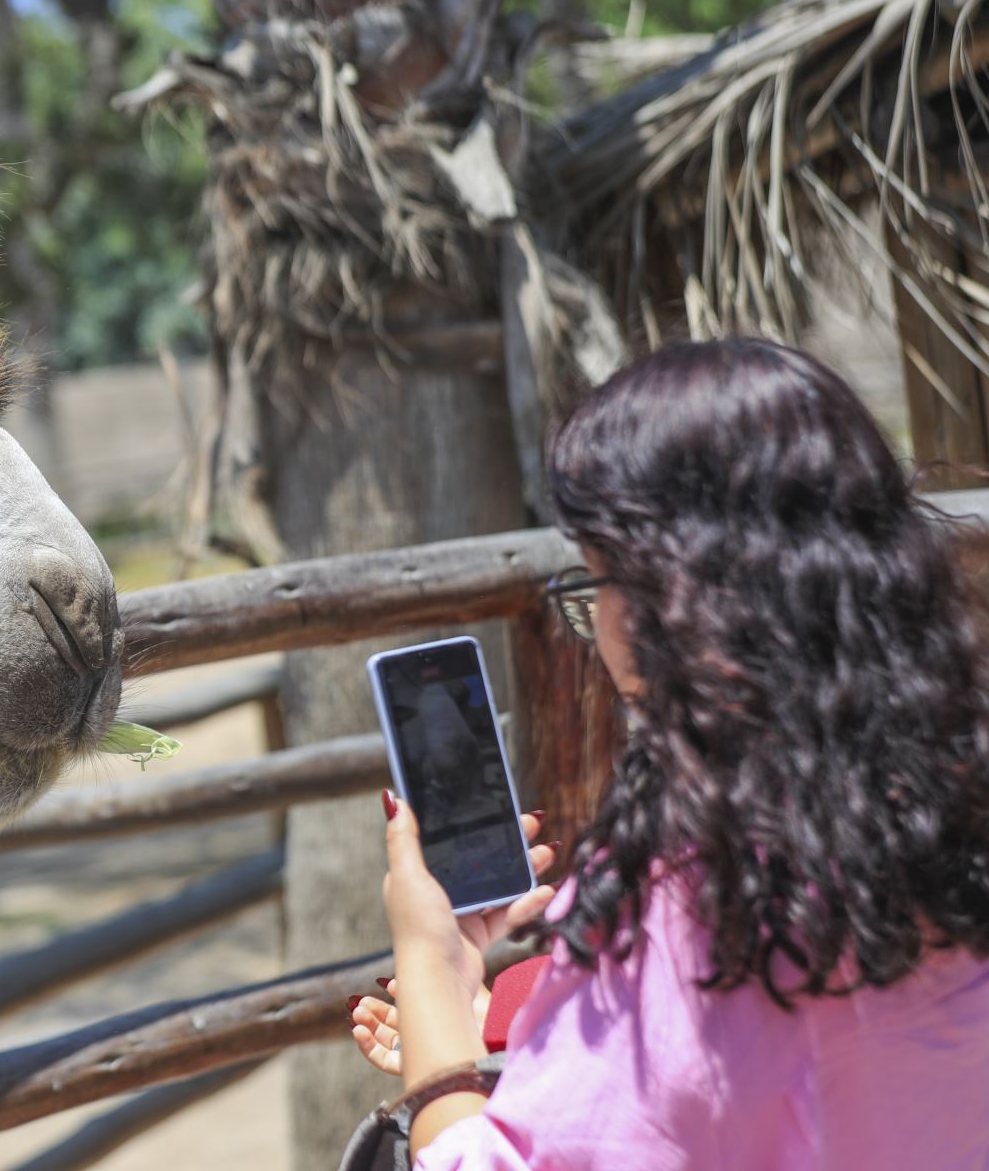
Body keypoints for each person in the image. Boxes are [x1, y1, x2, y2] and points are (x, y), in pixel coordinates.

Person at [346, 339, 989, 1168]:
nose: (599, 624)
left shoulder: (700, 893)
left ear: (674, 595)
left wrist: (432, 979)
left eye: (599, 580)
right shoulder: (948, 796)